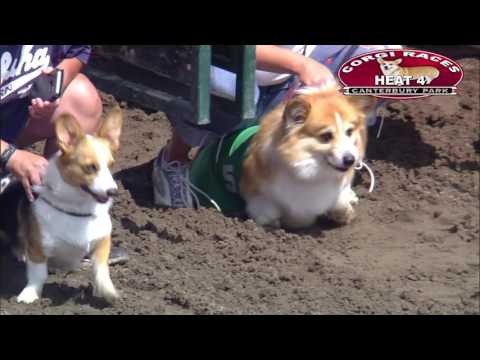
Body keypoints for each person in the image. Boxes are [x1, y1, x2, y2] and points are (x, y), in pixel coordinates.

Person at [152, 45, 402, 209]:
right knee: (209, 80)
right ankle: (174, 162)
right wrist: (301, 65)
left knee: (378, 65)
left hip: (286, 76)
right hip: (230, 70)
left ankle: (329, 163)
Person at [0, 45, 127, 264]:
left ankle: (56, 232)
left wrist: (52, 88)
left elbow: (76, 52)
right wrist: (10, 155)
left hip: (13, 120)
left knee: (81, 100)